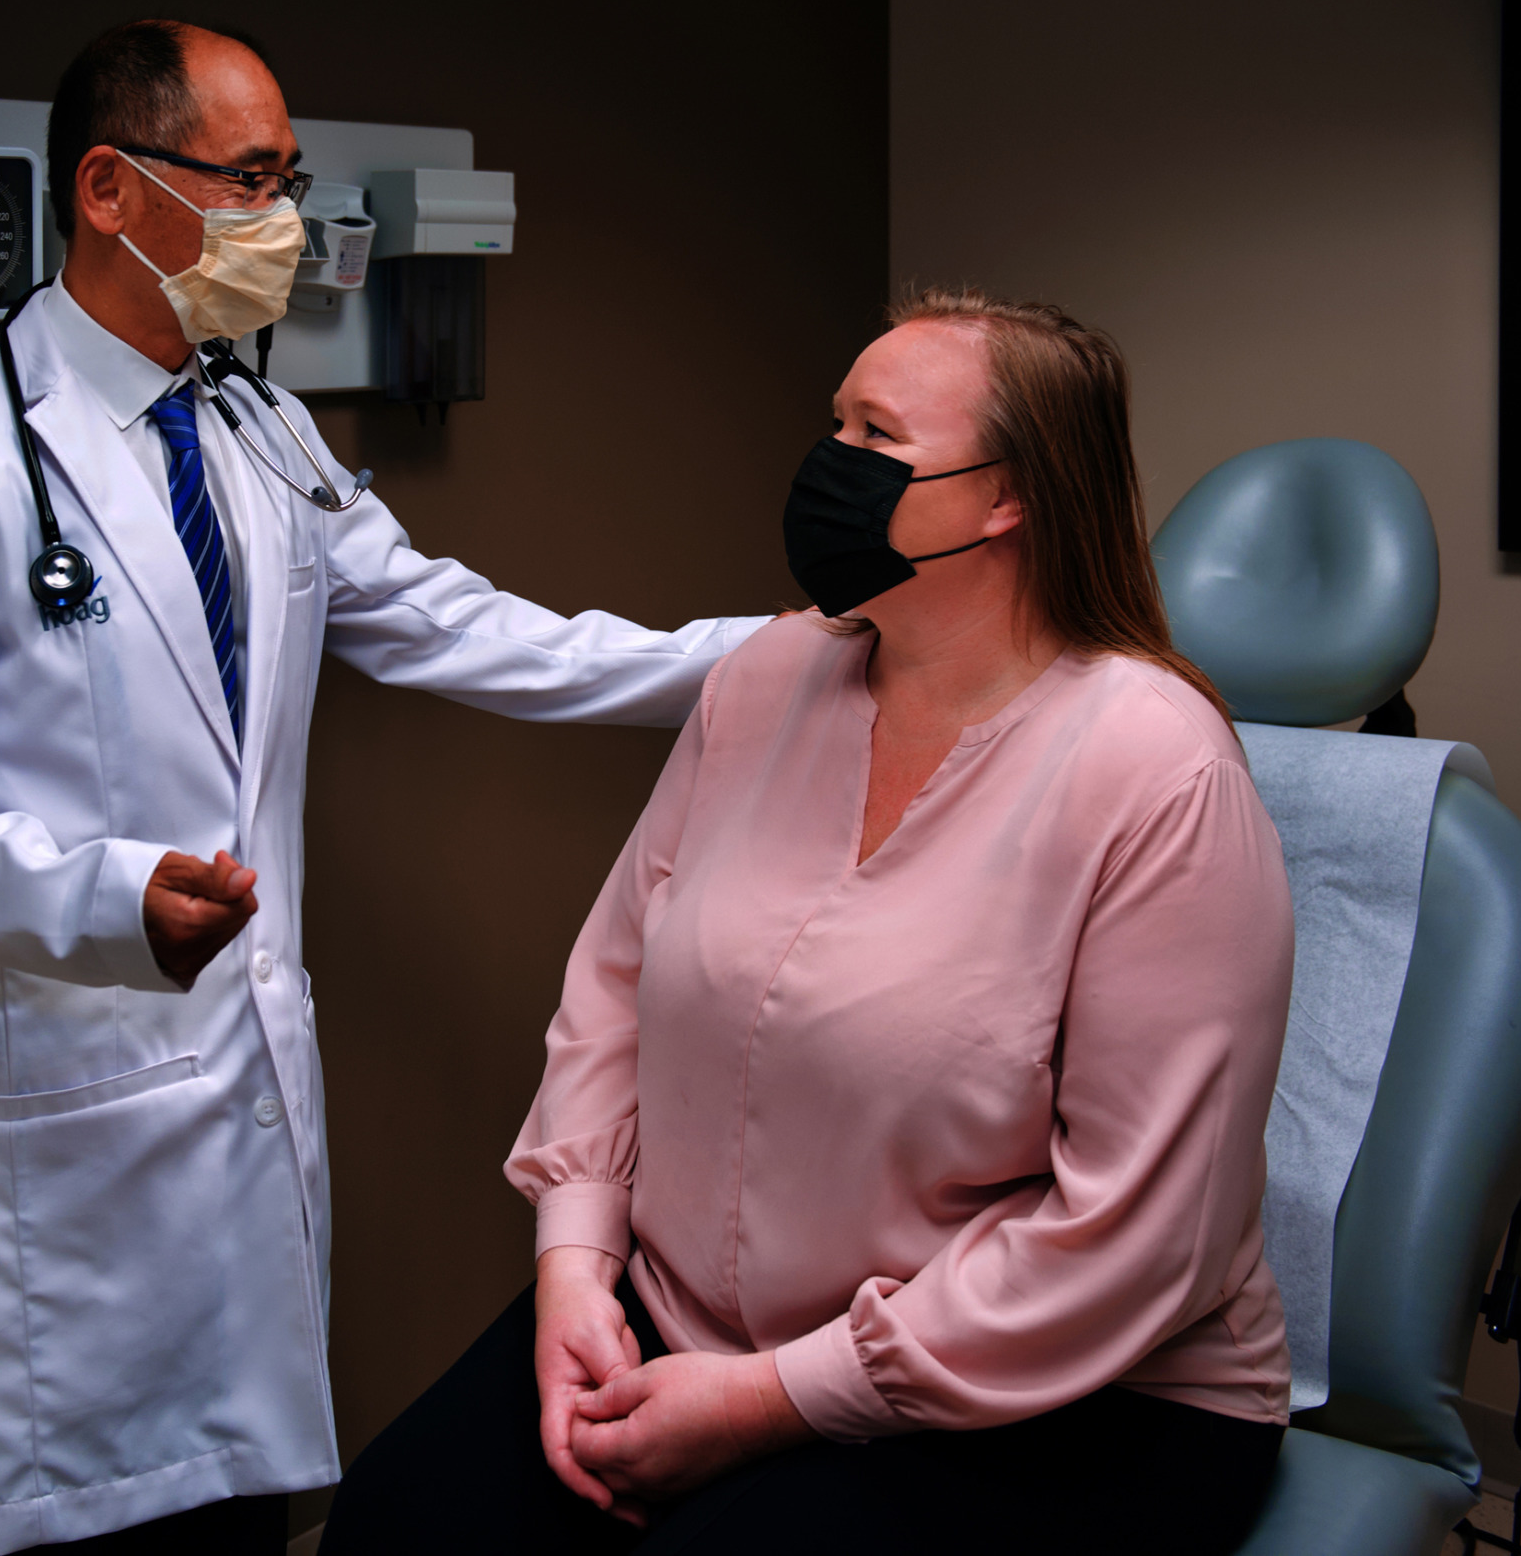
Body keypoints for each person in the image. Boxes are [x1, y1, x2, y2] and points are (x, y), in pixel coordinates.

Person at [0, 20, 763, 1556]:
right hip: (55, 1169)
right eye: (249, 180)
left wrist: (764, 657)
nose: (285, 224)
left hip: (237, 1122)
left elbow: (463, 626)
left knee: (234, 1527)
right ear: (111, 189)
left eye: (287, 181)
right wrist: (110, 899)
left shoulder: (260, 429)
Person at [322, 291, 1296, 1555]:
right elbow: (615, 986)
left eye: (874, 433)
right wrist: (575, 1261)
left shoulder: (1156, 773)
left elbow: (1136, 1236)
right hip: (691, 1317)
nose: (825, 461)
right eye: (830, 419)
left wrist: (770, 1400)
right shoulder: (771, 680)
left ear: (1008, 498)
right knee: (394, 1524)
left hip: (1065, 1385)